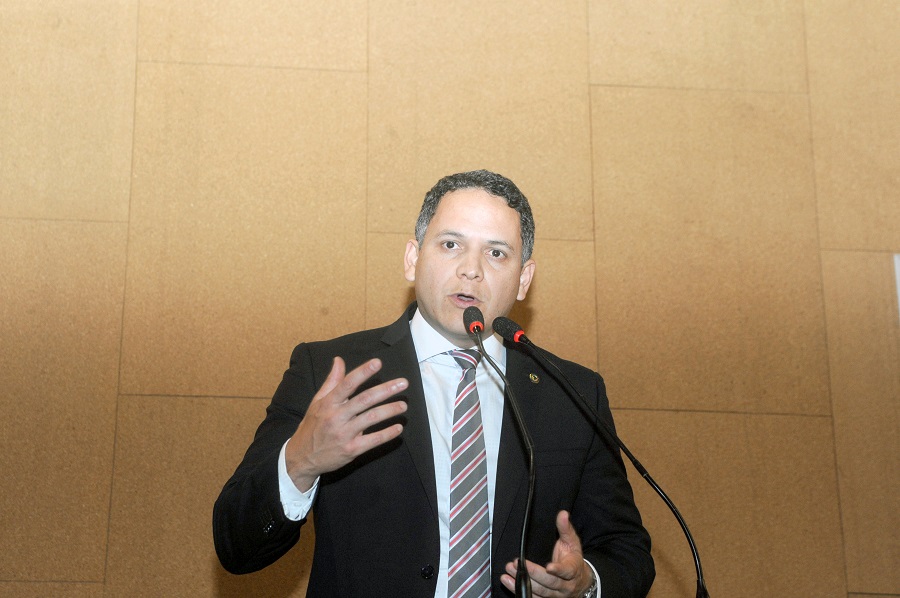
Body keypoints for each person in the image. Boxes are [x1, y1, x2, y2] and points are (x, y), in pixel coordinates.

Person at [213, 170, 655, 597]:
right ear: (413, 259)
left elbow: (628, 553)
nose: (471, 270)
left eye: (496, 253)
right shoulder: (330, 372)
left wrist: (586, 584)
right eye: (450, 244)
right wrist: (299, 463)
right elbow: (236, 545)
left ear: (523, 279)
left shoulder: (572, 393)